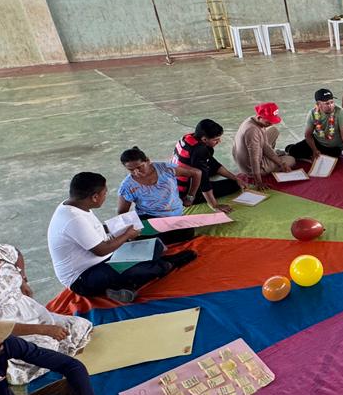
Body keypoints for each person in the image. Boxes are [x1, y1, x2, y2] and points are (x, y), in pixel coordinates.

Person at [0, 240, 92, 383]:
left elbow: (16, 254)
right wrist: (43, 329)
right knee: (44, 349)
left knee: (78, 326)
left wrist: (22, 280)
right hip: (3, 326)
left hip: (27, 310)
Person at [48, 172, 195, 304]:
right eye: (104, 193)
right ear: (94, 197)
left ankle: (124, 286)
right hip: (84, 277)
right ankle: (167, 265)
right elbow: (101, 250)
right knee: (142, 269)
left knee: (155, 246)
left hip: (103, 259)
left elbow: (94, 231)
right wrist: (127, 235)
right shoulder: (74, 219)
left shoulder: (76, 205)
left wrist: (119, 227)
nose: (105, 196)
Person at [117, 146, 201, 244]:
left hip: (174, 216)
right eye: (131, 170)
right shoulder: (127, 186)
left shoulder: (166, 169)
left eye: (139, 167)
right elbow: (122, 212)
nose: (136, 172)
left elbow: (197, 173)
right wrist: (130, 232)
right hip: (149, 217)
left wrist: (190, 196)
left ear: (148, 161)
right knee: (154, 239)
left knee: (187, 233)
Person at [174, 119, 243, 210]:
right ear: (204, 139)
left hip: (176, 180)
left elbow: (212, 163)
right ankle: (196, 198)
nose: (219, 141)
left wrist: (235, 177)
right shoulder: (199, 151)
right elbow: (204, 181)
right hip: (184, 191)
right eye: (216, 140)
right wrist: (214, 205)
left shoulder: (188, 137)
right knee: (233, 185)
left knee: (233, 179)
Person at [286, 88, 343, 165]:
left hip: (334, 147)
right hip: (317, 142)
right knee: (292, 151)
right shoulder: (313, 113)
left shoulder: (341, 112)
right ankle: (294, 148)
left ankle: (310, 155)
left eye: (332, 102)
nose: (330, 106)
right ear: (318, 104)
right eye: (327, 103)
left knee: (330, 158)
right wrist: (314, 150)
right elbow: (308, 135)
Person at [231, 102, 293, 185]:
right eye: (268, 122)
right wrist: (258, 181)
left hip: (246, 156)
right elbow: (254, 158)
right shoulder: (252, 131)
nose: (271, 124)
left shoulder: (253, 119)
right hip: (251, 168)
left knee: (273, 130)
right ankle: (265, 164)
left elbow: (265, 145)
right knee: (291, 160)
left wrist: (281, 163)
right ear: (260, 117)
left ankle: (272, 157)